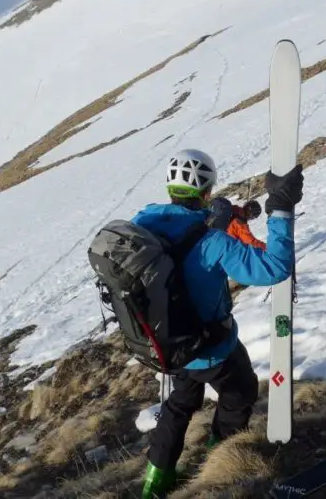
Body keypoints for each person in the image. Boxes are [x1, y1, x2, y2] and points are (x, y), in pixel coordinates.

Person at [132, 148, 304, 498]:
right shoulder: (212, 242)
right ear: (208, 191)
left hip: (166, 345)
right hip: (211, 348)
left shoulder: (141, 226)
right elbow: (273, 268)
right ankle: (218, 463)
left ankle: (154, 482)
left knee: (179, 404)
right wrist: (281, 210)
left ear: (169, 188)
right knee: (239, 393)